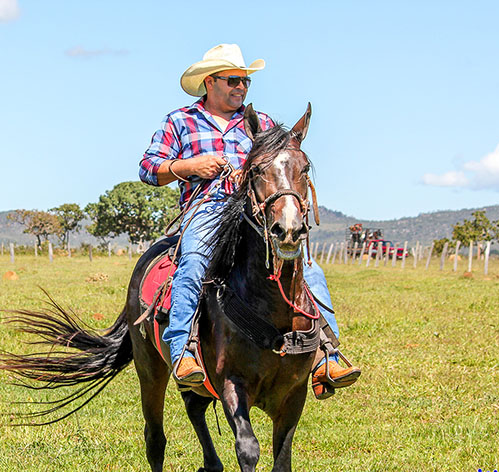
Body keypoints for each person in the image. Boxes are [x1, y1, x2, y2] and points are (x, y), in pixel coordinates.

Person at [139, 43, 360, 399]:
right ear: (209, 82)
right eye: (233, 80)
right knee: (193, 263)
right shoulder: (180, 121)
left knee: (306, 266)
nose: (240, 87)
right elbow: (148, 168)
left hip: (255, 213)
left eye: (245, 81)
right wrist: (188, 167)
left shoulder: (263, 123)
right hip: (207, 209)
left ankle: (327, 354)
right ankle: (182, 351)